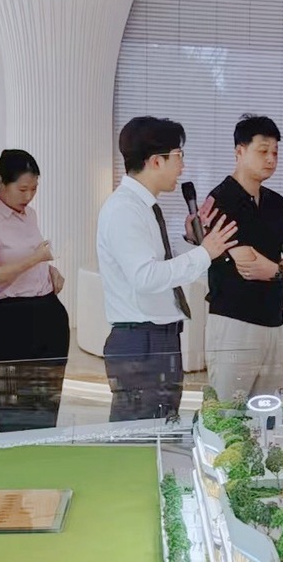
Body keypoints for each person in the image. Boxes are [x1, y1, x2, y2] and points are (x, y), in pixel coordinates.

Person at [97, 116, 237, 421]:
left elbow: (158, 269)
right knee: (139, 435)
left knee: (160, 427)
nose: (182, 166)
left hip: (156, 339)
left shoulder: (142, 207)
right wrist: (204, 253)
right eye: (178, 156)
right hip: (142, 343)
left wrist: (194, 244)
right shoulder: (124, 209)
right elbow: (145, 277)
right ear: (156, 161)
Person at [197, 115, 283, 401]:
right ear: (240, 151)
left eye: (275, 153)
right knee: (228, 409)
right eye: (263, 150)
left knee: (268, 411)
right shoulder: (220, 200)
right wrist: (282, 271)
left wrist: (276, 270)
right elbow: (246, 263)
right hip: (235, 321)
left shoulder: (275, 202)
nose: (271, 159)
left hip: (274, 319)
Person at [0, 149, 69, 431]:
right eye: (22, 189)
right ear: (1, 182)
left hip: (47, 313)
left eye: (34, 188)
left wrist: (49, 271)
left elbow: (33, 259)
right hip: (10, 320)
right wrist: (35, 259)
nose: (28, 196)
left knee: (45, 403)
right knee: (11, 406)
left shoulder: (30, 215)